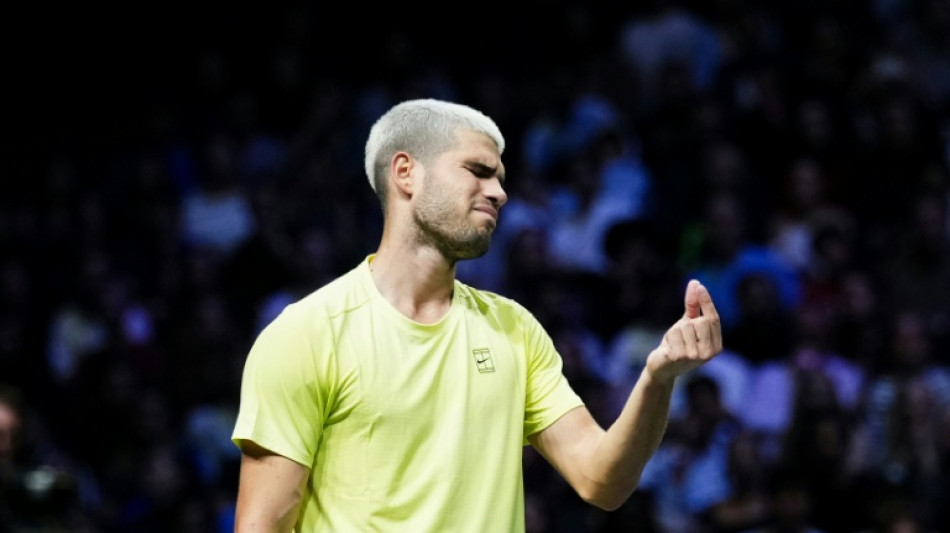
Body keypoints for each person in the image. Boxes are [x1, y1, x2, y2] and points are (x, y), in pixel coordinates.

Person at [230, 98, 723, 532]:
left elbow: (602, 480)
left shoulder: (515, 330)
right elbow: (261, 525)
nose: (499, 192)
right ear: (406, 172)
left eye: (501, 179)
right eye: (478, 171)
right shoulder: (307, 334)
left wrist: (657, 379)